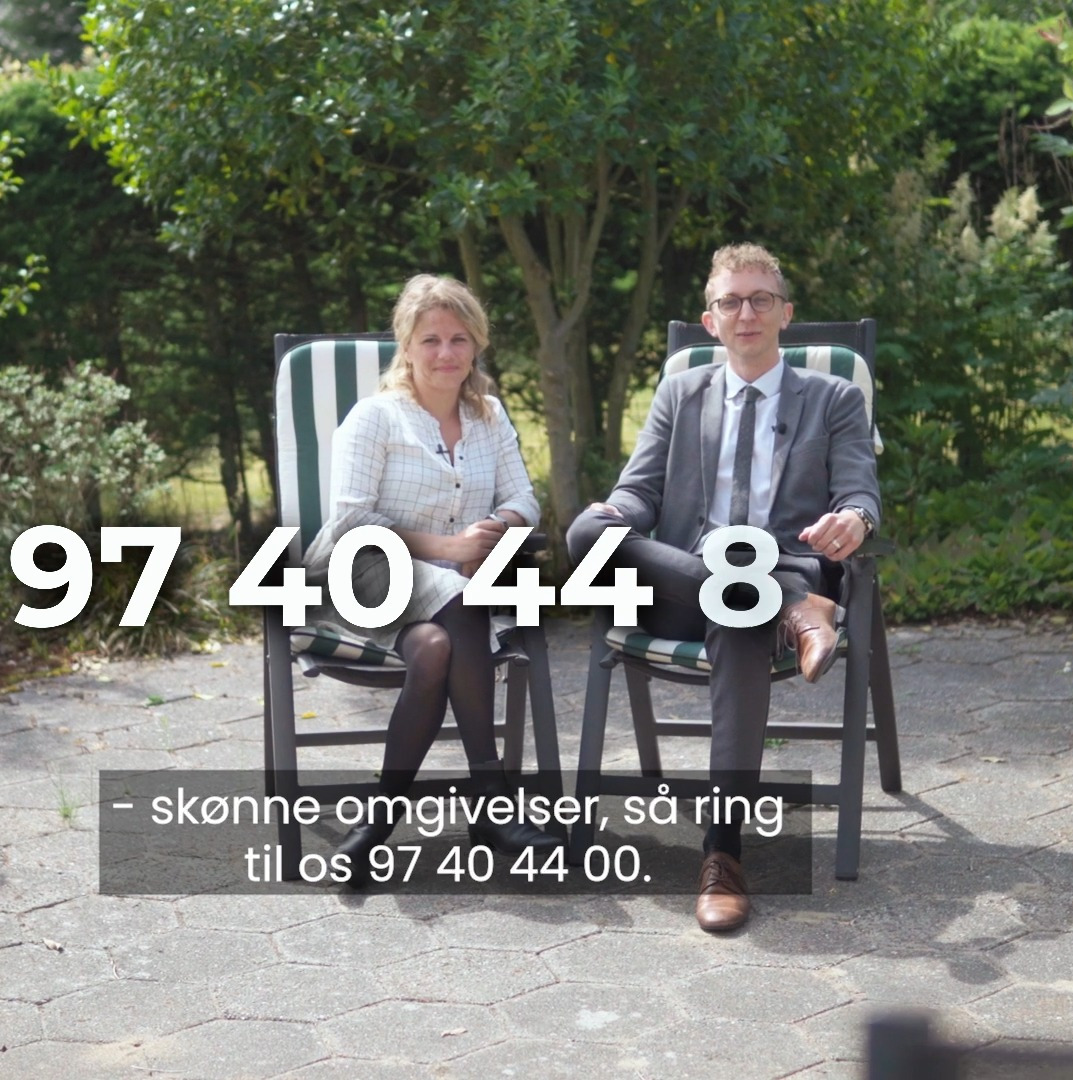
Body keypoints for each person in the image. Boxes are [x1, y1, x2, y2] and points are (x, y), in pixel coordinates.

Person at [566, 243, 881, 932]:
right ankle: (791, 606)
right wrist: (615, 511)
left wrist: (855, 520)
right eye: (731, 302)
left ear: (785, 313)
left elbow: (860, 491)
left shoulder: (833, 398)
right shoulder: (681, 393)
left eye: (761, 299)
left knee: (739, 612)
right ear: (710, 321)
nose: (747, 313)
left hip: (772, 575)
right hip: (685, 585)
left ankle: (723, 854)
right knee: (587, 532)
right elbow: (639, 492)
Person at [300, 274, 563, 885]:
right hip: (362, 574)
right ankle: (493, 804)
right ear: (407, 347)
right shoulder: (376, 417)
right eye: (431, 340)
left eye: (459, 339)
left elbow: (523, 499)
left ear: (476, 345)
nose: (446, 353)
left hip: (441, 604)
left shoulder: (488, 416)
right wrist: (451, 548)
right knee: (463, 600)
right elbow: (352, 522)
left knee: (436, 647)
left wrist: (491, 533)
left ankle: (376, 822)